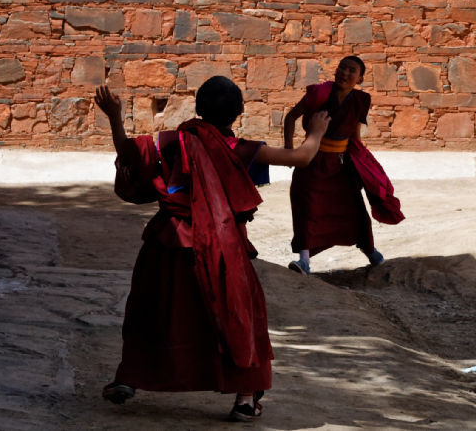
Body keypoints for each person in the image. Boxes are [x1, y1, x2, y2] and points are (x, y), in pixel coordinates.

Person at [94, 76, 330, 422]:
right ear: (239, 113)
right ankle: (245, 398)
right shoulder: (242, 149)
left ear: (199, 109)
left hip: (169, 242)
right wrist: (318, 131)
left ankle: (129, 378)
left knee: (154, 311)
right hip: (223, 247)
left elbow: (128, 153)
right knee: (239, 316)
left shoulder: (174, 142)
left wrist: (115, 116)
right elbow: (302, 157)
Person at [283, 55, 404, 275]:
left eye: (351, 71)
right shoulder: (318, 94)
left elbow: (355, 136)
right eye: (342, 68)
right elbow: (290, 118)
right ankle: (304, 262)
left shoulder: (361, 100)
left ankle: (370, 251)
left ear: (360, 78)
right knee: (306, 209)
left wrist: (364, 162)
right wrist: (290, 149)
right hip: (312, 161)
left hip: (340, 166)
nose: (344, 73)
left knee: (354, 209)